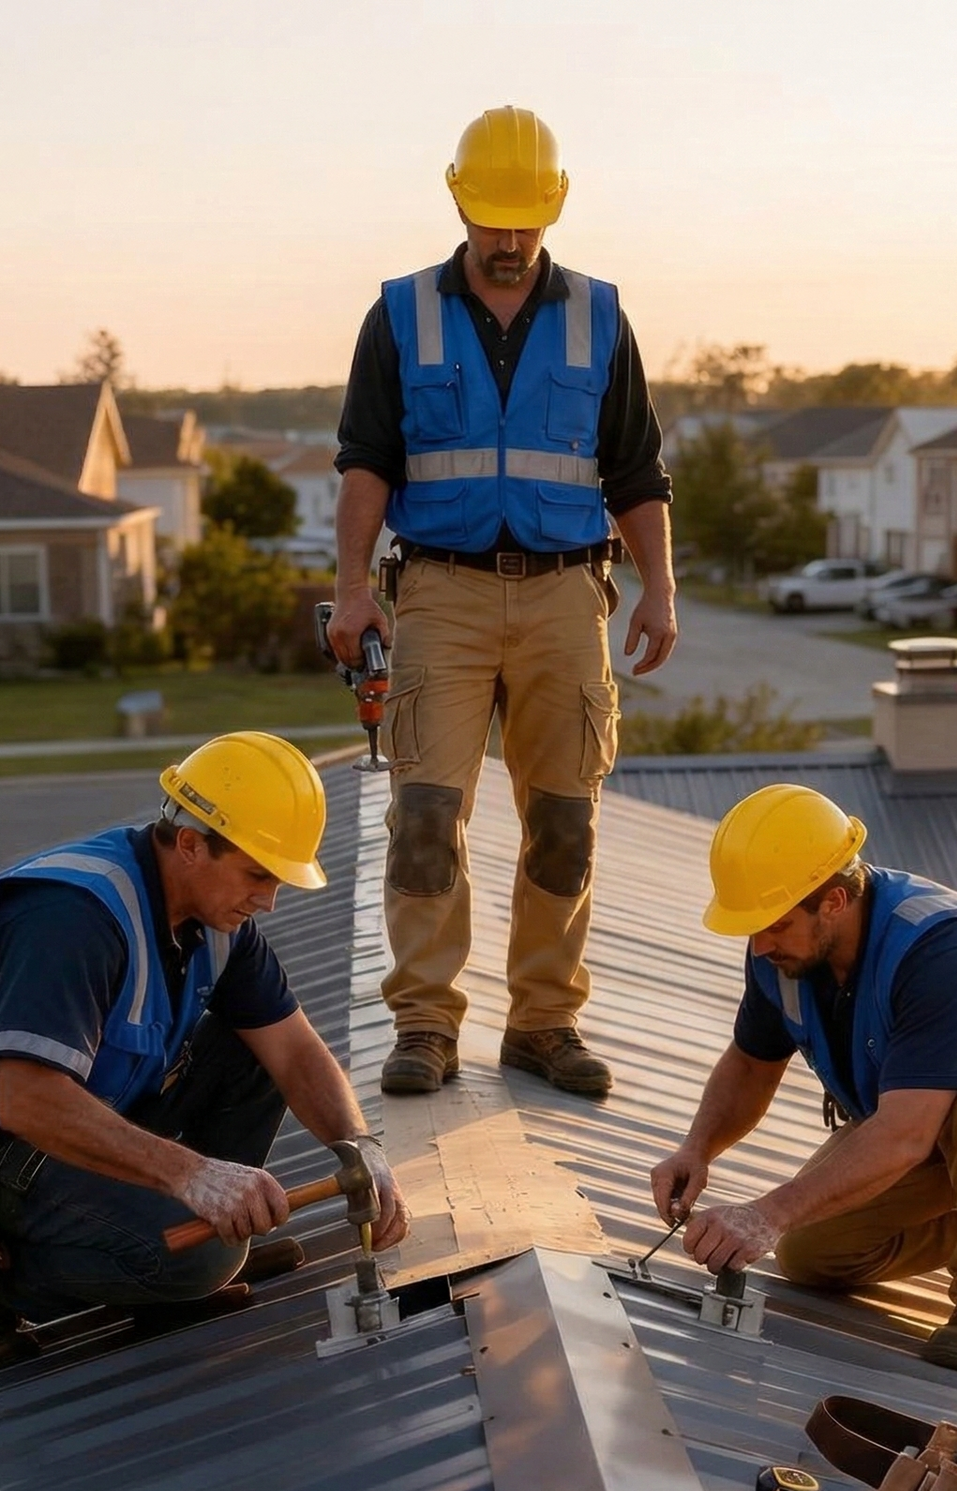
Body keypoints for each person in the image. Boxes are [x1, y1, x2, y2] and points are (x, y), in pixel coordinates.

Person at [330, 104, 677, 1102]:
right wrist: (354, 590)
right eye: (494, 220)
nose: (512, 240)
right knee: (425, 814)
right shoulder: (401, 314)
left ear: (554, 210)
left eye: (528, 220)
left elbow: (637, 470)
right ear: (460, 203)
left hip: (569, 595)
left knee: (565, 820)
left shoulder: (601, 315)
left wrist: (660, 590)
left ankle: (544, 1024)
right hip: (439, 592)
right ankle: (426, 1022)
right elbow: (366, 465)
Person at [0, 731, 408, 1372]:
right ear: (189, 844)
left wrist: (361, 1145)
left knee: (251, 1053)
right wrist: (192, 1176)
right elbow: (30, 1101)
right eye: (258, 874)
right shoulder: (71, 918)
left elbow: (292, 1050)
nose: (267, 899)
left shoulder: (217, 921)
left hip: (68, 1125)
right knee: (198, 1259)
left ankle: (197, 1243)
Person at [651, 784, 957, 1380]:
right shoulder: (783, 953)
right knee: (810, 1251)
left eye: (773, 924)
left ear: (833, 901)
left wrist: (767, 1213)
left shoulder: (951, 952)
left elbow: (904, 1136)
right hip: (932, 1124)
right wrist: (696, 1148)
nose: (759, 944)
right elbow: (752, 1063)